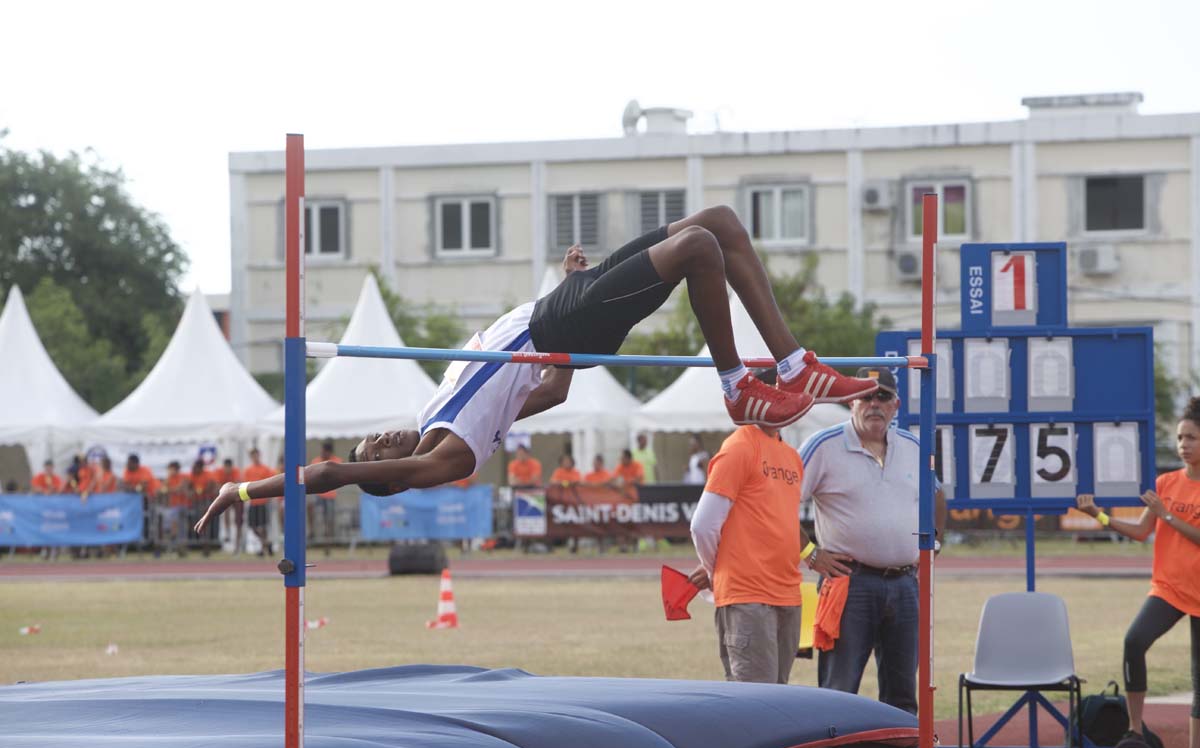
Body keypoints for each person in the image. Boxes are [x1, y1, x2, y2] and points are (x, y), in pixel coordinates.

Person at [195, 206, 876, 528]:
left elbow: (549, 388)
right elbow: (334, 472)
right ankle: (737, 385)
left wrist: (573, 288)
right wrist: (247, 491)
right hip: (564, 320)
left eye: (370, 438)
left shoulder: (447, 410)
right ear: (391, 474)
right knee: (699, 245)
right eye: (372, 450)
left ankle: (792, 365)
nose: (374, 440)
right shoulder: (448, 458)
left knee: (721, 226)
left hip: (565, 317)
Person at [798, 367, 946, 714]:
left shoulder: (913, 446)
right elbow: (778, 501)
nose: (874, 404)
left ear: (895, 405)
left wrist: (934, 545)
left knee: (903, 693)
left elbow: (937, 496)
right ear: (850, 401)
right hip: (849, 582)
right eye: (866, 395)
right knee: (839, 689)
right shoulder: (823, 446)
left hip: (905, 583)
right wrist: (809, 552)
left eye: (882, 397)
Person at [1076, 396, 1200, 748]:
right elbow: (1142, 531)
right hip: (1167, 587)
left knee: (1199, 679)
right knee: (1134, 641)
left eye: (1192, 438)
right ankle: (1135, 728)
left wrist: (1167, 515)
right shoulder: (1166, 483)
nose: (1184, 445)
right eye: (1180, 438)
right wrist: (1097, 514)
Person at [687, 404, 806, 684]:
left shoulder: (790, 455)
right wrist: (716, 568)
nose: (795, 403)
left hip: (787, 593)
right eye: (783, 396)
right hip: (748, 596)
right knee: (755, 704)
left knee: (776, 698)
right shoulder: (740, 447)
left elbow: (780, 521)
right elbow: (702, 525)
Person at [241, 449, 275, 556]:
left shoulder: (265, 469)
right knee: (253, 526)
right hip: (253, 502)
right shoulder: (248, 470)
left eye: (256, 455)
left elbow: (270, 482)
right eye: (253, 456)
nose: (255, 458)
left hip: (263, 501)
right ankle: (266, 543)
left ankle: (263, 546)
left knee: (263, 525)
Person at [308, 440, 342, 542]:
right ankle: (312, 531)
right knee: (310, 506)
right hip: (318, 494)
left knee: (329, 516)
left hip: (330, 496)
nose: (322, 453)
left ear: (329, 452)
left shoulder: (337, 461)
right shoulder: (315, 461)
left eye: (324, 451)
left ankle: (328, 537)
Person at [211, 458, 243, 553]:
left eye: (229, 468)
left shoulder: (236, 471)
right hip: (227, 496)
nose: (227, 470)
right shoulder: (219, 472)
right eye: (226, 468)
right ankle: (227, 532)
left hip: (237, 497)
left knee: (238, 521)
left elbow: (238, 483)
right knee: (226, 511)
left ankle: (237, 544)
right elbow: (217, 485)